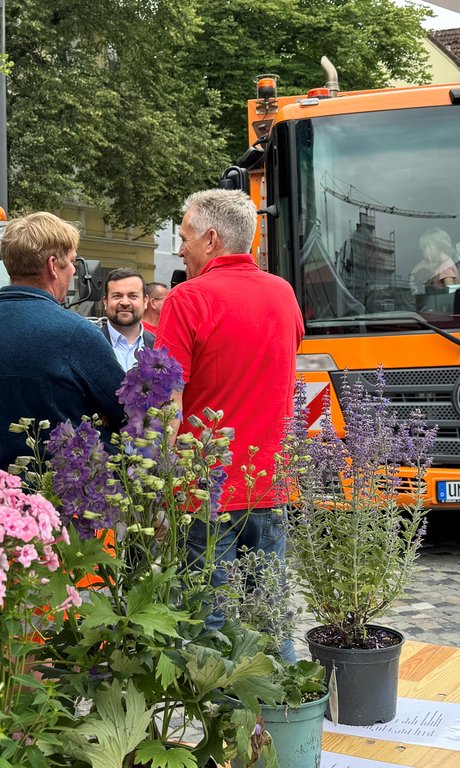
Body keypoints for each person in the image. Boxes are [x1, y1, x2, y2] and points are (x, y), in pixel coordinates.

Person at [156, 188, 304, 660]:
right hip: (270, 482)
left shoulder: (187, 299)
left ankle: (219, 721)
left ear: (212, 239)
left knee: (209, 617)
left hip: (208, 488)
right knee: (270, 611)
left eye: (184, 237)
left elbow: (166, 403)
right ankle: (284, 711)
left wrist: (159, 481)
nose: (180, 248)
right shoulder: (283, 294)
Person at [0, 212, 126, 471]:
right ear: (53, 265)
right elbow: (128, 411)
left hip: (8, 489)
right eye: (72, 260)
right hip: (73, 492)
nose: (74, 269)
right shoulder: (75, 332)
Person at [100, 268, 154, 372]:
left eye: (133, 296)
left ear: (145, 301)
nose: (125, 302)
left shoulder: (157, 345)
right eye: (117, 296)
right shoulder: (90, 344)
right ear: (106, 302)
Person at [409, 227, 460, 293]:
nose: (424, 252)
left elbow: (451, 293)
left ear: (432, 247)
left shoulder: (445, 267)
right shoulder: (448, 263)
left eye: (424, 249)